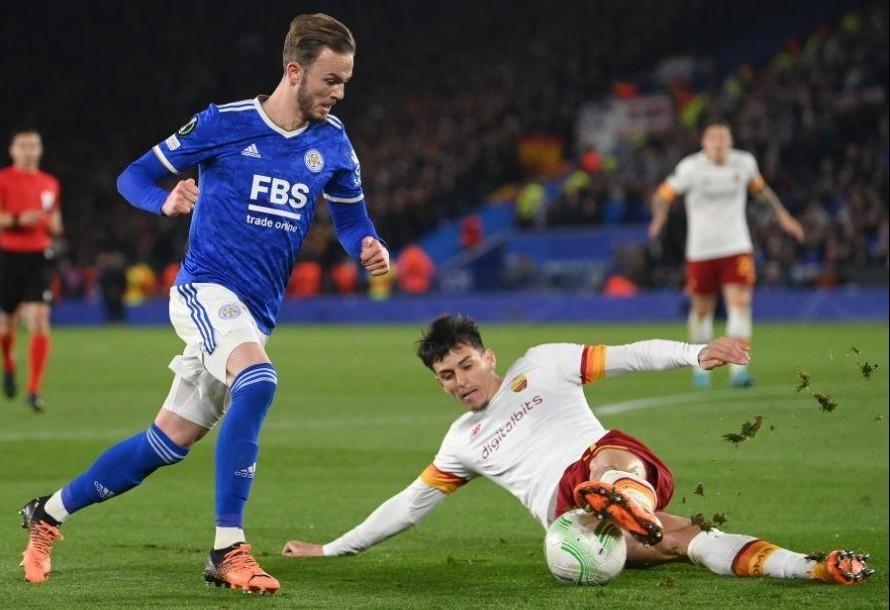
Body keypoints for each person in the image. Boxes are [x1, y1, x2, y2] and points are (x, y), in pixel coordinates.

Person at [19, 13, 389, 595]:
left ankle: (48, 514)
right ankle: (228, 548)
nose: (340, 93)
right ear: (294, 71)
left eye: (345, 81)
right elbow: (132, 177)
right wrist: (164, 201)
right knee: (260, 381)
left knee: (165, 443)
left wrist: (367, 244)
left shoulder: (333, 142)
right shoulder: (225, 123)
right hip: (205, 290)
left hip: (255, 314)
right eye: (331, 80)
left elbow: (351, 218)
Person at [281, 314, 872, 587]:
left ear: (487, 357)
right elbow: (408, 506)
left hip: (603, 461)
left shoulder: (541, 364)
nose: (460, 380)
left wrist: (696, 354)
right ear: (437, 381)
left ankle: (620, 498)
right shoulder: (461, 443)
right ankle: (814, 568)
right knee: (690, 540)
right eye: (445, 375)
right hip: (574, 524)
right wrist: (330, 549)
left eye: (465, 365)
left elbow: (630, 354)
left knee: (608, 465)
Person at [648, 119, 805, 389]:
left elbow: (762, 192)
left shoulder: (743, 163)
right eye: (714, 140)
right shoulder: (690, 168)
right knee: (701, 310)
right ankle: (701, 369)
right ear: (704, 143)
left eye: (724, 139)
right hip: (700, 250)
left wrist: (784, 217)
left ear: (731, 142)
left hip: (736, 247)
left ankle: (738, 371)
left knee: (740, 306)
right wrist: (659, 217)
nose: (719, 145)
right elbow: (662, 195)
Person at [0, 129, 62, 412]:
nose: (29, 150)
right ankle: (9, 364)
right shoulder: (3, 180)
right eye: (23, 145)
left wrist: (53, 225)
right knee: (6, 324)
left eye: (33, 145)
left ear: (40, 150)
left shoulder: (50, 183)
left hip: (39, 257)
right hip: (8, 256)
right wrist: (16, 219)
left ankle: (34, 389)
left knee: (39, 318)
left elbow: (56, 221)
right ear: (13, 150)